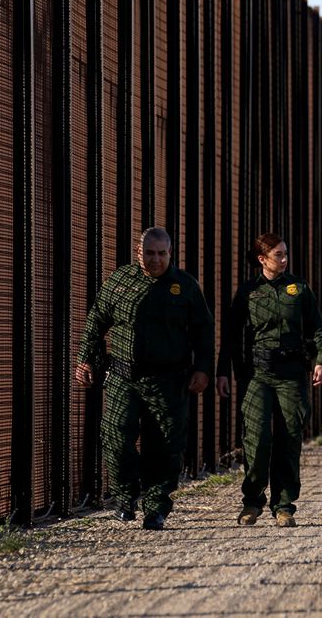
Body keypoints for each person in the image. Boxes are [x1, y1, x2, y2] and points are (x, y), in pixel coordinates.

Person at [74, 227, 214, 531]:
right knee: (115, 436)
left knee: (165, 446)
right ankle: (125, 496)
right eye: (149, 253)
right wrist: (84, 357)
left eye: (162, 254)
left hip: (169, 380)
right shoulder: (121, 281)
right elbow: (96, 319)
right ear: (139, 253)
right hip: (125, 376)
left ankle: (156, 507)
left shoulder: (185, 286)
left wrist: (203, 369)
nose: (156, 260)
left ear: (170, 253)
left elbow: (204, 331)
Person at [216, 233, 322, 528]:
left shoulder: (299, 288)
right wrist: (224, 372)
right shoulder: (248, 292)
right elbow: (230, 335)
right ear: (261, 259)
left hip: (291, 373)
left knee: (289, 437)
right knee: (257, 438)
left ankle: (284, 505)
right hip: (258, 375)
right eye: (278, 254)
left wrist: (320, 361)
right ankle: (252, 502)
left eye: (285, 253)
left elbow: (317, 327)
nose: (284, 259)